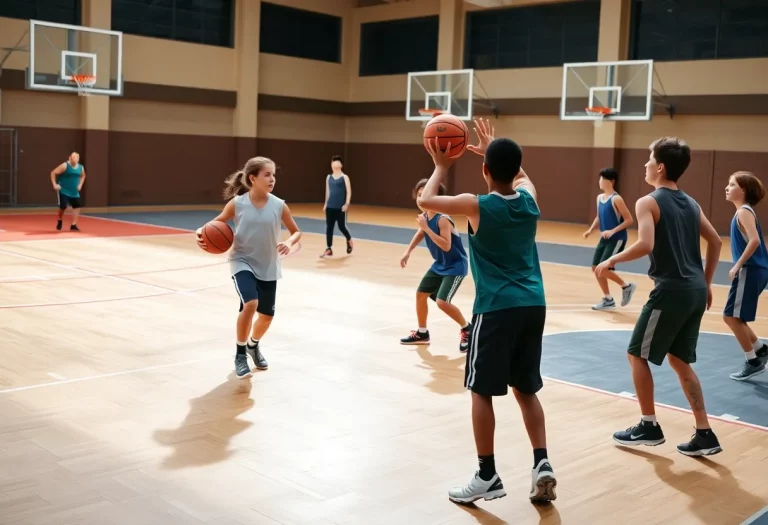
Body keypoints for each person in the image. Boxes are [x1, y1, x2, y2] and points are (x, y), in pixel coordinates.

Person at [418, 118, 556, 504]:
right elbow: (522, 177)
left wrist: (441, 166)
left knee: (480, 390)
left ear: (484, 171)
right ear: (516, 170)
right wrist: (496, 148)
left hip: (496, 309)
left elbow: (425, 202)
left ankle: (487, 475)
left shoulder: (477, 205)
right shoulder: (529, 201)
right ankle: (542, 463)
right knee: (525, 389)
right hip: (534, 305)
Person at [595, 137, 723, 457]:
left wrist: (612, 260)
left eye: (649, 160)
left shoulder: (648, 201)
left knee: (636, 355)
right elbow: (716, 242)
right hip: (694, 290)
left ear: (660, 167)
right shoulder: (692, 203)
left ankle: (648, 426)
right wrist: (706, 283)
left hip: (671, 290)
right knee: (680, 361)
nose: (645, 165)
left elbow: (646, 245)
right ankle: (704, 432)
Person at [196, 156, 302, 379]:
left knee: (266, 316)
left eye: (273, 175)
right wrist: (201, 232)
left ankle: (253, 345)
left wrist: (289, 242)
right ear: (252, 178)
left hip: (268, 264)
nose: (272, 179)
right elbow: (216, 224)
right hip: (241, 260)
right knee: (250, 303)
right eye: (267, 174)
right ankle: (240, 355)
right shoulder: (237, 203)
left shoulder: (279, 205)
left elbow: (296, 231)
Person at [399, 178, 472, 352]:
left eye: (424, 195)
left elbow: (446, 245)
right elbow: (420, 233)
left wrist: (427, 228)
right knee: (421, 294)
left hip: (455, 266)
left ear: (435, 197)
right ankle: (422, 333)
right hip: (440, 264)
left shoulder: (442, 219)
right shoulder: (425, 216)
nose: (420, 199)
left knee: (442, 302)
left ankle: (467, 328)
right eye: (418, 195)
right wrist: (408, 251)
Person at [722, 171, 768, 380]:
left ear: (743, 190)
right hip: (755, 269)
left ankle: (753, 361)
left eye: (732, 184)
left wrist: (737, 265)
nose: (727, 187)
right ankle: (760, 349)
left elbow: (755, 240)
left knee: (730, 316)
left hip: (750, 269)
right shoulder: (742, 211)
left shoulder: (743, 212)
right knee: (735, 316)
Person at [583, 168, 636, 310]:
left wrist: (612, 231)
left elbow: (629, 220)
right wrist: (591, 230)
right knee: (595, 268)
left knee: (603, 268)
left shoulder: (616, 199)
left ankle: (627, 286)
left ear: (611, 181)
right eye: (600, 178)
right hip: (604, 239)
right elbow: (599, 217)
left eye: (603, 179)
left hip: (617, 238)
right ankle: (608, 299)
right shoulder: (599, 198)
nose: (600, 181)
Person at [320, 155, 353, 257]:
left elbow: (349, 192)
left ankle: (349, 239)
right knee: (329, 227)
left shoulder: (345, 177)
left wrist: (347, 204)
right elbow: (328, 191)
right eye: (333, 161)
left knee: (341, 226)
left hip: (340, 207)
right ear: (331, 165)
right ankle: (329, 248)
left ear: (341, 165)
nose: (335, 162)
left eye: (337, 161)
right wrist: (326, 203)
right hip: (330, 207)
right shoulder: (328, 177)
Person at [50, 152, 86, 231]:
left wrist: (80, 185)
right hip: (64, 190)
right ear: (69, 158)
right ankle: (60, 219)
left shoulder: (81, 167)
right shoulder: (65, 165)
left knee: (77, 206)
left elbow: (83, 175)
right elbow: (53, 173)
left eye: (77, 157)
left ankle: (73, 224)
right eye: (74, 157)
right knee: (63, 206)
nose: (76, 158)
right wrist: (54, 184)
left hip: (74, 192)